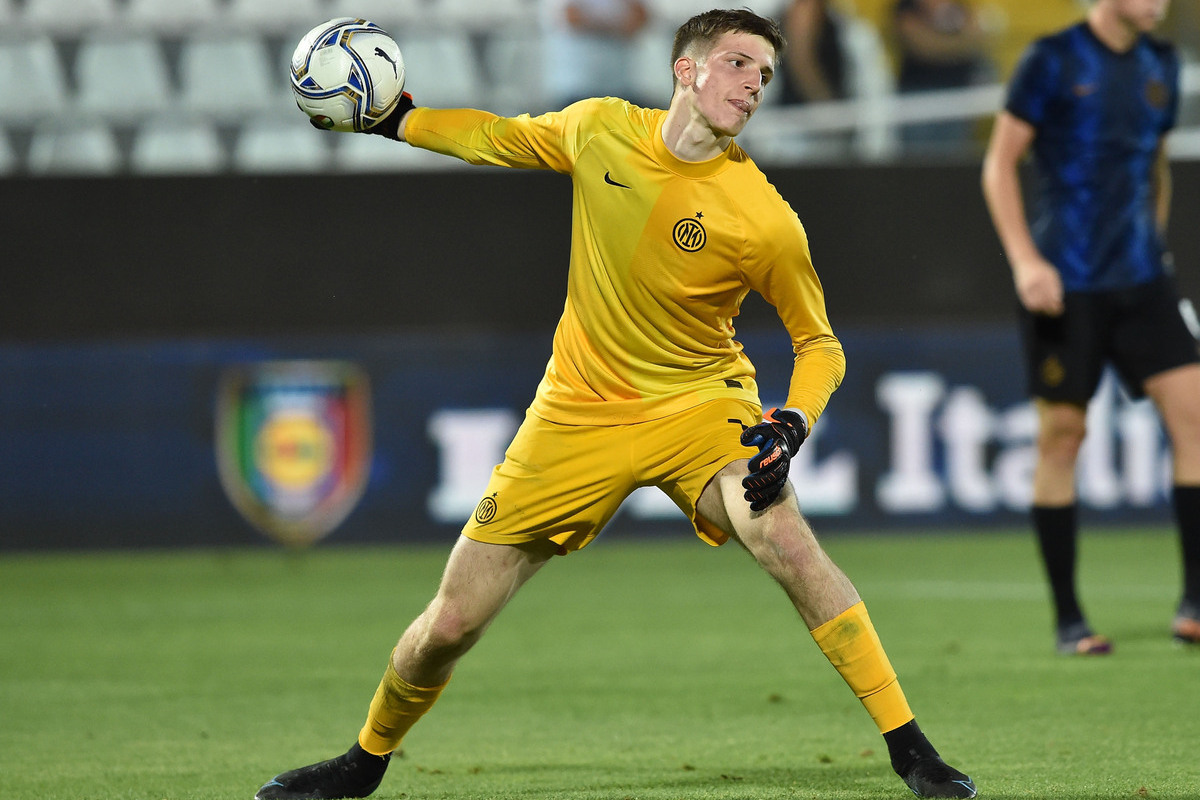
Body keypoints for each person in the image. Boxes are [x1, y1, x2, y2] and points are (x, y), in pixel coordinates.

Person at [256, 9, 977, 799]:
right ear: (685, 69)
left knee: (787, 542)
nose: (752, 86)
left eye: (764, 75)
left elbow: (821, 345)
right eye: (737, 64)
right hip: (575, 413)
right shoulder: (598, 129)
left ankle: (914, 752)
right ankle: (363, 763)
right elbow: (495, 138)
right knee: (452, 623)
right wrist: (399, 119)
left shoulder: (764, 216)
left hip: (700, 408)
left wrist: (791, 421)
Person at [981, 0, 1200, 655]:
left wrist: (1153, 245)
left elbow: (1155, 164)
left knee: (1193, 414)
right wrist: (1025, 261)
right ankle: (1069, 619)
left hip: (1142, 280)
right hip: (1064, 284)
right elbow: (999, 164)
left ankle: (1193, 602)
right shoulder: (1052, 59)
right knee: (1063, 435)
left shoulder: (1163, 63)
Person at [891, 0, 991, 152]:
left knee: (952, 157)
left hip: (956, 97)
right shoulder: (907, 6)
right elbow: (922, 46)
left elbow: (978, 34)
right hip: (918, 97)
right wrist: (960, 44)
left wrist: (942, 44)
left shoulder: (957, 6)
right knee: (916, 158)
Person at [540, 0, 653, 110]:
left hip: (619, 84)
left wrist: (595, 22)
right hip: (576, 84)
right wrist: (616, 25)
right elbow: (572, 17)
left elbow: (640, 17)